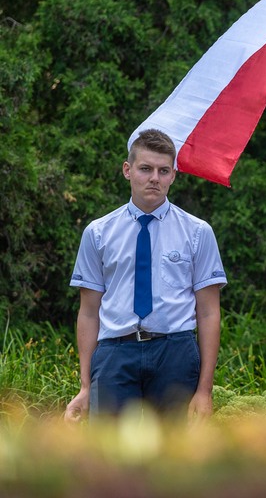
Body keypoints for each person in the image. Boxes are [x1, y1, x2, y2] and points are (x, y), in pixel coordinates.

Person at [65, 129, 226, 422]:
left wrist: (205, 391)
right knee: (107, 452)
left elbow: (208, 312)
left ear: (174, 175)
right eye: (145, 169)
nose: (155, 177)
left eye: (163, 170)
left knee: (174, 453)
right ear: (128, 170)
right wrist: (86, 386)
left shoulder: (198, 232)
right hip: (115, 352)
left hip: (174, 350)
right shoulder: (98, 233)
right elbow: (89, 313)